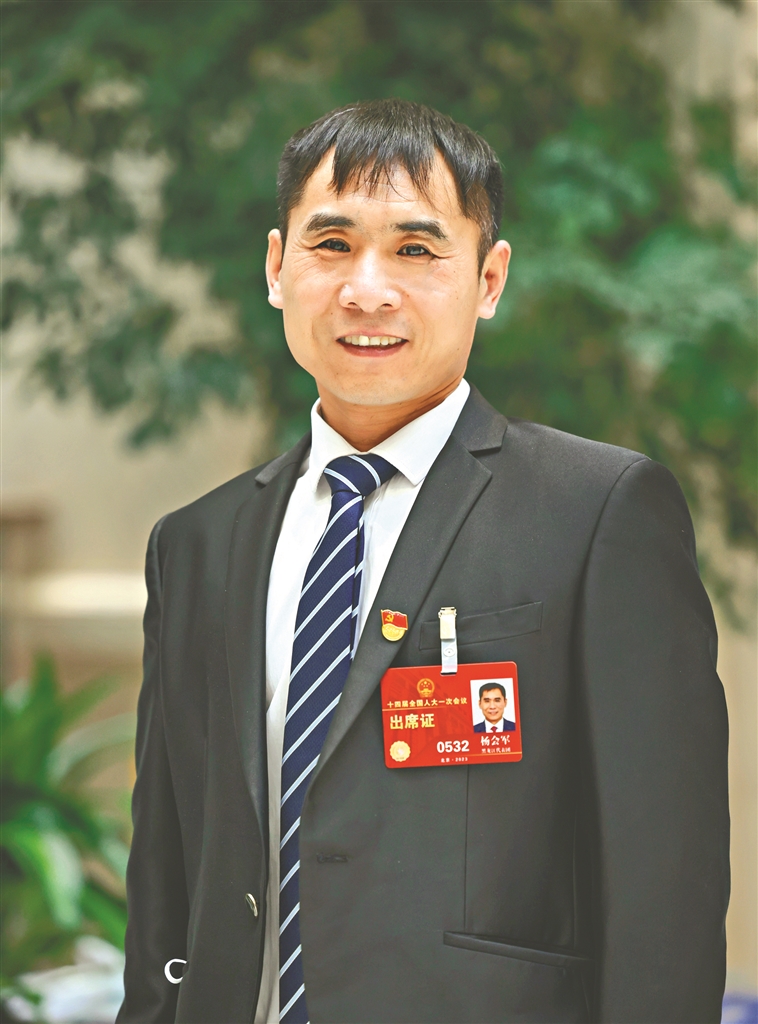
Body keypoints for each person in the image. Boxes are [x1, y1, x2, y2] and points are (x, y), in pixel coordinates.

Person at [117, 100, 729, 1024]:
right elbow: (166, 873)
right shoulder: (196, 544)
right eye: (331, 245)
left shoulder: (597, 512)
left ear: (489, 278)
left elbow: (664, 883)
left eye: (415, 249)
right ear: (277, 268)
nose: (367, 291)